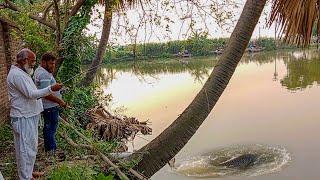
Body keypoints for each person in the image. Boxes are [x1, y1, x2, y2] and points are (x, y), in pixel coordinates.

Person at [7, 48, 63, 180]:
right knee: (25, 150)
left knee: (30, 148)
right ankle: (25, 177)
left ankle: (29, 173)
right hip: (23, 117)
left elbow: (32, 92)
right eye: (32, 61)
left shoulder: (23, 73)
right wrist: (51, 88)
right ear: (24, 60)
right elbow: (31, 94)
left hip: (28, 116)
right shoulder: (16, 75)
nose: (34, 63)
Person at [33, 52, 66, 154]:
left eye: (54, 63)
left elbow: (47, 88)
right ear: (43, 62)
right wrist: (60, 101)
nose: (53, 66)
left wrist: (58, 88)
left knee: (49, 128)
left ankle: (50, 149)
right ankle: (51, 152)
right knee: (50, 128)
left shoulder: (39, 70)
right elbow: (45, 93)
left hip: (48, 107)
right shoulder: (44, 74)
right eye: (51, 63)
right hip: (50, 107)